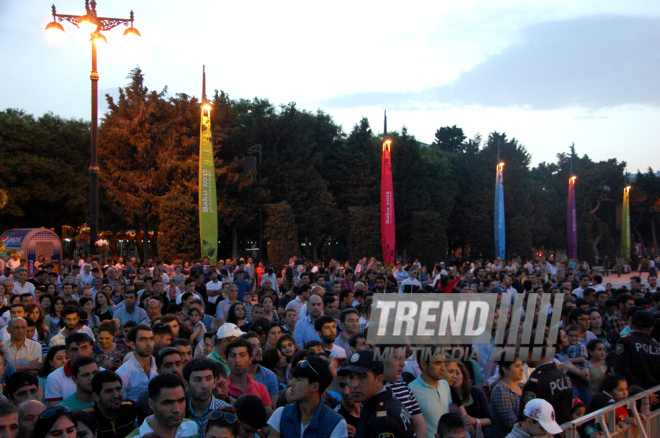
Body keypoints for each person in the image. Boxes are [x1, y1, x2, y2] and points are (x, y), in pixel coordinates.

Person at [338, 349, 415, 438]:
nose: (354, 384)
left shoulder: (381, 421)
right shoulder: (386, 402)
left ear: (378, 380)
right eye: (351, 377)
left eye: (362, 377)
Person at [266, 355, 348, 438]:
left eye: (298, 379)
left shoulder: (335, 423)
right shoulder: (280, 414)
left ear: (314, 386)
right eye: (293, 378)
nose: (291, 383)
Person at [126, 374, 198, 438]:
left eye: (181, 400)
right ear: (151, 404)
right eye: (167, 403)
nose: (177, 409)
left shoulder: (191, 427)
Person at [408, 347, 451, 438]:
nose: (443, 368)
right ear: (423, 365)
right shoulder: (411, 390)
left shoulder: (445, 384)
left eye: (444, 363)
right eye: (438, 363)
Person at [183, 358, 231, 438]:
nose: (204, 385)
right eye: (198, 380)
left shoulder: (227, 413)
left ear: (214, 382)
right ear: (187, 384)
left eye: (208, 379)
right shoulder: (180, 413)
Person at [612, 310, 660, 389]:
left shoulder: (624, 342)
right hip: (655, 394)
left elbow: (622, 369)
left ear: (630, 324)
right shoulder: (657, 347)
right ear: (651, 328)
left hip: (635, 394)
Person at [225, 339, 273, 415]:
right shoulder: (222, 388)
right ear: (227, 360)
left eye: (242, 355)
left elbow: (268, 418)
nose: (237, 360)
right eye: (232, 355)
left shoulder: (261, 389)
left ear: (250, 359)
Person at [84, 371, 138, 438]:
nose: (116, 395)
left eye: (118, 389)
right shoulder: (87, 418)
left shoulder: (130, 408)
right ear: (95, 396)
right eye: (109, 391)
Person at [45, 334, 94, 407]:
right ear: (67, 353)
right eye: (74, 350)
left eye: (84, 348)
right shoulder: (54, 378)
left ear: (91, 349)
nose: (80, 354)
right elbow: (57, 413)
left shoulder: (103, 373)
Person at [115, 324, 157, 402]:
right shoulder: (123, 373)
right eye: (143, 340)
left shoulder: (160, 365)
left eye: (151, 339)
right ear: (133, 345)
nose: (148, 344)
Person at [489, 356, 524, 438]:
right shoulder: (500, 390)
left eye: (521, 365)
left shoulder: (522, 387)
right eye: (517, 366)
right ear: (505, 369)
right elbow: (510, 422)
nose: (521, 369)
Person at [244, 332, 280, 406]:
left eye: (259, 346)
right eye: (253, 347)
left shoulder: (269, 375)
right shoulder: (233, 376)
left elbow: (274, 407)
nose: (258, 350)